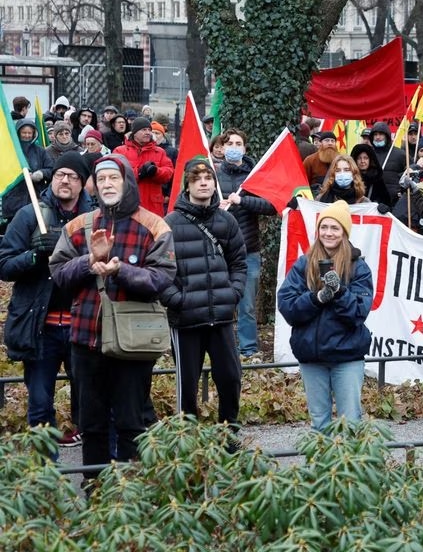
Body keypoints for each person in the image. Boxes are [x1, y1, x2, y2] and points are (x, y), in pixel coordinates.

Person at [48, 154, 177, 482]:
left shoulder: (154, 225)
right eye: (101, 179)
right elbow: (59, 274)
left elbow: (161, 279)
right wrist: (87, 261)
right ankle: (95, 489)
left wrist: (122, 270)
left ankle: (129, 494)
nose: (106, 185)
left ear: (127, 181)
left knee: (131, 422)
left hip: (132, 342)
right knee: (90, 424)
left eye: (113, 179)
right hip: (85, 341)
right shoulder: (79, 226)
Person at [0, 152, 94, 449]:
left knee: (91, 405)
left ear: (83, 183)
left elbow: (105, 263)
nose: (65, 181)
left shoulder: (94, 218)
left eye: (73, 176)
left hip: (84, 326)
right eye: (60, 174)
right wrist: (34, 256)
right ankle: (46, 476)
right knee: (40, 405)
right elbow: (4, 265)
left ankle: (96, 474)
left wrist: (72, 254)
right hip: (41, 328)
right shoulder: (30, 215)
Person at [161, 158, 246, 431]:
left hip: (221, 316)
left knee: (231, 379)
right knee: (187, 386)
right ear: (187, 184)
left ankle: (229, 434)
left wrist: (233, 293)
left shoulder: (227, 220)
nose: (204, 183)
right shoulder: (170, 223)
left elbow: (239, 263)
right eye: (197, 178)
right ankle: (189, 440)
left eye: (208, 178)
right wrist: (177, 300)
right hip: (186, 319)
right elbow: (160, 270)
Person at [277, 200, 373, 431]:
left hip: (346, 356)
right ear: (318, 230)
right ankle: (322, 468)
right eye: (324, 227)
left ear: (344, 232)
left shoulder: (358, 268)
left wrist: (339, 292)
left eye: (335, 228)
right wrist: (315, 299)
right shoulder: (303, 265)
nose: (328, 233)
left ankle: (348, 468)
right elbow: (288, 306)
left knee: (349, 423)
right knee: (319, 424)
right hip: (312, 355)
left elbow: (359, 312)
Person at [217, 128, 278, 357]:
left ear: (245, 148)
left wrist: (242, 200)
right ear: (222, 149)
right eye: (229, 143)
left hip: (248, 250)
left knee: (247, 305)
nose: (234, 147)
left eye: (238, 143)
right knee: (220, 302)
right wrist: (215, 207)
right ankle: (221, 349)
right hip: (219, 249)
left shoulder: (255, 176)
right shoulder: (213, 175)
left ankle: (249, 349)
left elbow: (271, 206)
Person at [113, 117, 175, 217]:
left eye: (149, 130)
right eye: (143, 130)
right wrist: (139, 173)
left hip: (153, 208)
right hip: (129, 207)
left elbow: (169, 172)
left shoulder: (159, 152)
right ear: (134, 132)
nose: (148, 132)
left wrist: (156, 172)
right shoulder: (120, 151)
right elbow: (116, 175)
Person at [2, 119, 54, 225]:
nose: (27, 135)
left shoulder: (40, 151)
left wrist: (40, 174)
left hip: (35, 198)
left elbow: (51, 169)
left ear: (34, 134)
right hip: (13, 202)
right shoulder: (11, 152)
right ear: (18, 133)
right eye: (24, 133)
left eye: (29, 133)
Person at [369, 121, 416, 206]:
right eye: (375, 135)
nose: (377, 137)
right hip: (372, 202)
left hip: (394, 202)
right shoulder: (368, 154)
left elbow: (412, 171)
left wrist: (401, 190)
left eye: (381, 134)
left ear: (387, 136)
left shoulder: (400, 154)